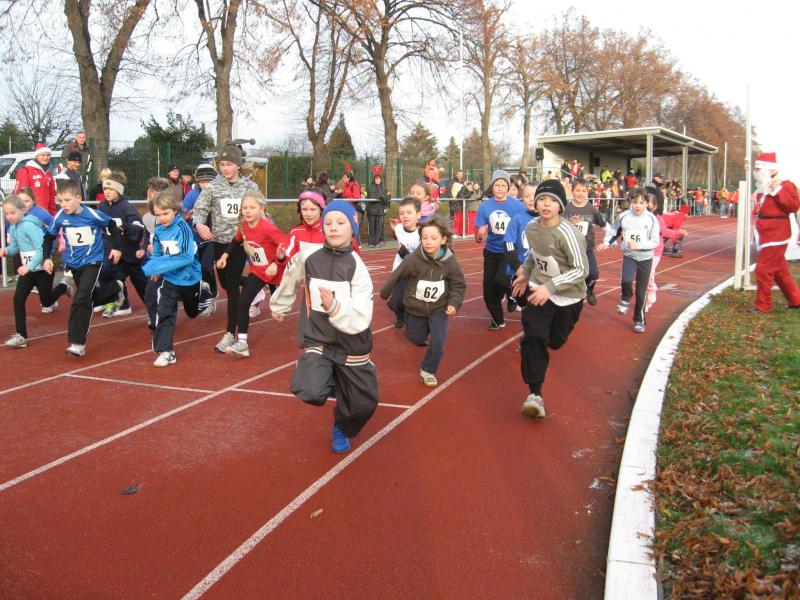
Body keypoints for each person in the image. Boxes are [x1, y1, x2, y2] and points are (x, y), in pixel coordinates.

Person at [270, 200, 379, 454]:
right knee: (308, 389)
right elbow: (290, 276)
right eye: (328, 222)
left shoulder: (358, 268)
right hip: (318, 339)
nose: (333, 227)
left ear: (352, 228)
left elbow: (362, 315)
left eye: (340, 223)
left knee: (363, 405)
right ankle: (327, 376)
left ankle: (342, 425)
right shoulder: (309, 257)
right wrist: (280, 305)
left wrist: (336, 309)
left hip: (352, 343)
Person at [510, 178, 587, 418]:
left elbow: (581, 270)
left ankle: (545, 341)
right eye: (541, 199)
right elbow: (535, 255)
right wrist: (525, 274)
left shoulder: (568, 233)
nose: (546, 204)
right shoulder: (532, 227)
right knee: (535, 336)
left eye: (552, 200)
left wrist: (551, 287)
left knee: (555, 341)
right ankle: (535, 394)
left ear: (560, 206)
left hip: (568, 297)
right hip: (538, 289)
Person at [379, 215, 466, 386]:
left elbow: (458, 284)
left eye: (433, 238)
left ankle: (428, 370)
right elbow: (396, 276)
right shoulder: (413, 259)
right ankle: (414, 327)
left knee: (438, 341)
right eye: (424, 238)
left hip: (439, 307)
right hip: (415, 308)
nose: (428, 242)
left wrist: (453, 303)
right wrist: (384, 293)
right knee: (415, 336)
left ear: (443, 240)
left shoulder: (450, 262)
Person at [191, 144, 261, 351]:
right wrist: (200, 225)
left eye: (229, 164)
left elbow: (262, 210)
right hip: (219, 242)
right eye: (222, 164)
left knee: (231, 288)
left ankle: (231, 333)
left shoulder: (250, 187)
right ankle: (253, 284)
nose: (225, 168)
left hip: (239, 242)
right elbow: (200, 209)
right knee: (224, 281)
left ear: (238, 165)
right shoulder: (213, 187)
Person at [47, 180, 126, 357]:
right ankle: (114, 289)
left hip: (92, 261)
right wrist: (46, 258)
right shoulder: (60, 216)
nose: (63, 204)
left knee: (81, 298)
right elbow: (49, 236)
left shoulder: (92, 214)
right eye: (60, 201)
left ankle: (77, 343)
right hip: (74, 264)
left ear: (78, 198)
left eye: (67, 200)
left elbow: (112, 226)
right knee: (88, 297)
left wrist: (117, 247)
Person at [142, 191, 212, 367]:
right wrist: (156, 267)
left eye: (165, 213)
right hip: (171, 279)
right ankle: (166, 351)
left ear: (174, 210)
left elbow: (187, 257)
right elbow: (158, 251)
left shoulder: (183, 228)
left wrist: (161, 265)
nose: (162, 218)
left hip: (190, 277)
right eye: (158, 215)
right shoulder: (159, 230)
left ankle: (203, 293)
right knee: (165, 310)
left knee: (192, 313)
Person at [216, 190, 289, 357]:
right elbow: (236, 241)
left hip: (276, 273)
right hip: (258, 272)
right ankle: (242, 343)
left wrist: (276, 263)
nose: (248, 211)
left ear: (261, 209)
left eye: (252, 207)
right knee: (243, 301)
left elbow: (286, 244)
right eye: (245, 208)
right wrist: (225, 256)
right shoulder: (243, 226)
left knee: (280, 308)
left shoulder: (268, 228)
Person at [0, 195, 72, 348]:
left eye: (13, 212)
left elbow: (41, 249)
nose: (10, 216)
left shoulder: (29, 226)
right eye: (7, 214)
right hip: (29, 271)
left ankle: (63, 287)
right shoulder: (14, 227)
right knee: (18, 299)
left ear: (23, 210)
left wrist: (29, 266)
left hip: (42, 269)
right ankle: (21, 336)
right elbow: (15, 247)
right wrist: (6, 251)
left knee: (47, 302)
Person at [597, 187, 660, 333]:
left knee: (641, 291)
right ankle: (625, 297)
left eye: (642, 203)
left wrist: (639, 245)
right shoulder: (624, 216)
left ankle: (639, 320)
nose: (638, 206)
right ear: (630, 202)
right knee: (626, 280)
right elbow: (614, 231)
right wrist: (606, 243)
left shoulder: (651, 219)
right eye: (635, 202)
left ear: (647, 203)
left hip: (645, 258)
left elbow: (655, 242)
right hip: (630, 256)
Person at [474, 169, 525, 330]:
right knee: (489, 290)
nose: (500, 188)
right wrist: (480, 235)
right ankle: (497, 320)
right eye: (497, 185)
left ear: (508, 187)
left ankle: (512, 294)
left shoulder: (518, 206)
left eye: (504, 185)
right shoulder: (485, 206)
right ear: (492, 186)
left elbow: (526, 225)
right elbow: (477, 235)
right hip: (491, 251)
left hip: (509, 251)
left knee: (502, 281)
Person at [750, 152, 800, 312]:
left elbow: (793, 206)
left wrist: (777, 190)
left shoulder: (785, 185)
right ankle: (796, 299)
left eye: (759, 169)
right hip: (765, 230)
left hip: (777, 232)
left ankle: (763, 304)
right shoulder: (764, 185)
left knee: (763, 269)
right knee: (779, 270)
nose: (756, 173)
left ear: (771, 169)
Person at [96, 171, 147, 318]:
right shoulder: (102, 206)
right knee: (105, 271)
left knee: (142, 285)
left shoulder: (127, 207)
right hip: (112, 251)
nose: (106, 192)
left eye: (110, 189)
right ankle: (122, 304)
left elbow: (139, 229)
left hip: (130, 253)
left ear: (119, 190)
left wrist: (123, 225)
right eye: (105, 189)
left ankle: (156, 309)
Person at [563, 177, 607, 306]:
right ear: (572, 191)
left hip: (587, 248)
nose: (580, 193)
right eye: (577, 190)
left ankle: (589, 290)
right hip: (569, 249)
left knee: (593, 273)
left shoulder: (591, 209)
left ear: (587, 192)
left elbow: (603, 224)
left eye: (583, 191)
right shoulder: (566, 208)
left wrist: (609, 240)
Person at [182, 164, 218, 316]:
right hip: (195, 239)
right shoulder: (191, 195)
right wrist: (187, 217)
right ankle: (206, 296)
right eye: (202, 182)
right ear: (197, 182)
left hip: (212, 238)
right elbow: (182, 216)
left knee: (206, 266)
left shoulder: (219, 194)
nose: (206, 185)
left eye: (209, 182)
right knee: (198, 269)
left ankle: (211, 296)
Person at [646, 192, 686, 312]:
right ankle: (642, 298)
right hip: (640, 250)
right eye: (645, 203)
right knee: (640, 275)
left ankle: (651, 291)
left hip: (655, 250)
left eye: (649, 204)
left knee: (649, 272)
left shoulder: (658, 219)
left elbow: (664, 231)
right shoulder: (637, 218)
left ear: (655, 206)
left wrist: (678, 234)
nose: (647, 206)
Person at [387, 196, 423, 328]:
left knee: (413, 300)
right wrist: (393, 229)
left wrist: (404, 252)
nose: (405, 216)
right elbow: (397, 233)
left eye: (409, 212)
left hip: (416, 272)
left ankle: (413, 320)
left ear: (418, 215)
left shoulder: (422, 232)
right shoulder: (398, 228)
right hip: (400, 271)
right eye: (401, 213)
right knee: (396, 301)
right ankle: (399, 314)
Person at [503, 181, 538, 311]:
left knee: (536, 307)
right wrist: (517, 268)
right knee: (523, 303)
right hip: (521, 269)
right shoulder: (517, 219)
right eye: (527, 196)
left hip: (541, 271)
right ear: (522, 198)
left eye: (535, 195)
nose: (531, 199)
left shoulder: (547, 219)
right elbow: (508, 245)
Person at [14, 143, 57, 215]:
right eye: (42, 155)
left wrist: (53, 213)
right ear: (36, 156)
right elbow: (19, 193)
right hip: (30, 213)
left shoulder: (49, 174)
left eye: (48, 155)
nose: (46, 157)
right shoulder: (26, 171)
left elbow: (51, 196)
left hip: (45, 212)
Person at [366, 168, 390, 247]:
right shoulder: (371, 188)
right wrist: (382, 197)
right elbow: (372, 198)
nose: (377, 180)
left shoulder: (384, 188)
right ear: (374, 179)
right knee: (372, 227)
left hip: (380, 210)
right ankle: (370, 242)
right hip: (372, 211)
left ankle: (376, 242)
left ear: (381, 179)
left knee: (379, 227)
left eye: (379, 179)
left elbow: (388, 196)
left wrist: (383, 198)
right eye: (376, 179)